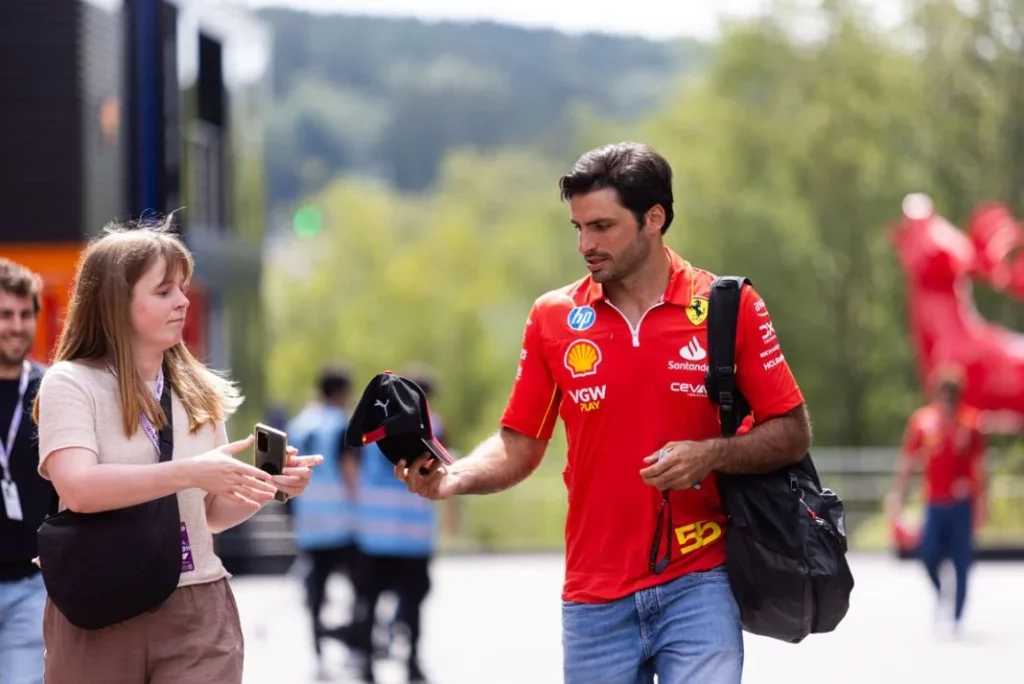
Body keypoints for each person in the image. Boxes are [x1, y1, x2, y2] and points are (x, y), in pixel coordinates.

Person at [396, 142, 811, 684]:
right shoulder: (553, 317)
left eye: (602, 226)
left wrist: (711, 455)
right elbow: (519, 443)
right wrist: (456, 476)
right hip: (594, 593)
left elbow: (792, 433)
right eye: (578, 228)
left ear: (654, 219)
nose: (586, 244)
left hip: (701, 578)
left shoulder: (728, 308)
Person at [32, 219, 323, 683]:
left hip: (197, 604)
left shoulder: (199, 390)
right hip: (99, 602)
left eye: (183, 288)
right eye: (164, 290)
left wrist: (266, 485)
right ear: (115, 301)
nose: (183, 301)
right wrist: (192, 471)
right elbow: (80, 488)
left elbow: (208, 515)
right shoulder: (70, 382)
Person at [886, 365, 987, 635]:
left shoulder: (972, 423)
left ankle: (956, 615)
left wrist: (983, 504)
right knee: (928, 554)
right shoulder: (923, 422)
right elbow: (909, 461)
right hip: (934, 502)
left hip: (962, 504)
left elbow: (980, 466)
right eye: (944, 392)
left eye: (952, 393)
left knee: (962, 560)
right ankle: (942, 591)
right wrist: (898, 496)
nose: (947, 398)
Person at [285, 365, 361, 679]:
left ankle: (318, 651)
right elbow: (349, 471)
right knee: (359, 588)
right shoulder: (341, 424)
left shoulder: (298, 423)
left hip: (309, 520)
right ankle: (355, 647)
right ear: (342, 393)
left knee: (316, 591)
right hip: (341, 520)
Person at [0, 258, 54, 684]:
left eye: (25, 314)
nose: (16, 326)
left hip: (32, 584)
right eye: (5, 315)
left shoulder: (52, 390)